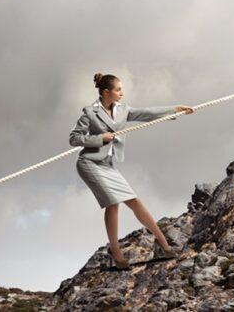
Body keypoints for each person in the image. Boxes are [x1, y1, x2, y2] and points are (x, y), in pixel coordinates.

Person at [69, 73, 194, 269]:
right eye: (118, 89)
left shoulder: (124, 110)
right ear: (106, 92)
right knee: (113, 203)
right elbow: (74, 138)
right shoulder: (89, 112)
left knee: (134, 202)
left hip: (108, 165)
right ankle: (116, 253)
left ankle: (163, 246)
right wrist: (100, 138)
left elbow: (146, 113)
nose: (122, 93)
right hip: (89, 163)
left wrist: (175, 110)